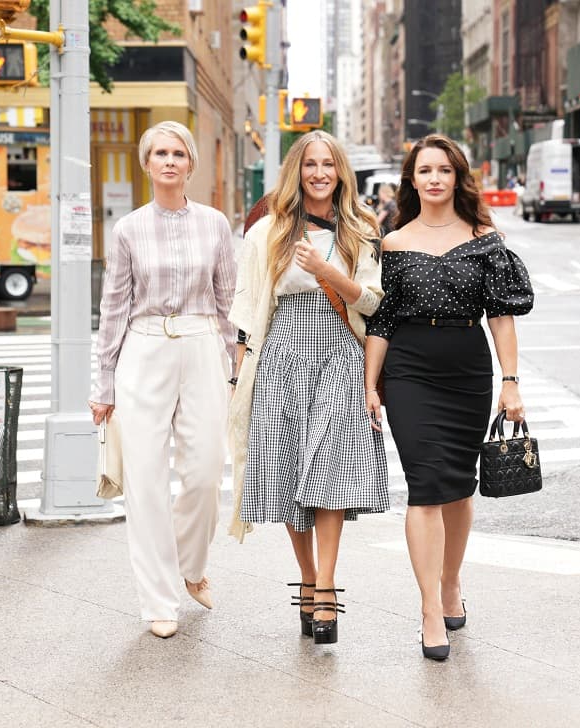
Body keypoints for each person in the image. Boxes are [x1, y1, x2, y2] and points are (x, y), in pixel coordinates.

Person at [364, 134, 534, 661]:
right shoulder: (390, 243)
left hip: (466, 366)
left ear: (458, 177)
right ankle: (428, 610)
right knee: (426, 486)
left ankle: (451, 582)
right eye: (424, 170)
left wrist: (511, 382)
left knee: (460, 489)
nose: (434, 178)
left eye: (444, 170)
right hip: (410, 368)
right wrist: (371, 384)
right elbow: (382, 320)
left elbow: (500, 317)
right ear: (411, 180)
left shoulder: (486, 238)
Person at [228, 130, 389, 645]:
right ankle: (306, 575)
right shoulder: (267, 232)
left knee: (328, 472)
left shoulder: (361, 229)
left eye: (329, 164)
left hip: (339, 352)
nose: (320, 173)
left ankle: (326, 587)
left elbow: (372, 303)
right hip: (282, 357)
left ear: (341, 171)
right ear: (296, 171)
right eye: (310, 164)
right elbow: (248, 311)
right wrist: (238, 378)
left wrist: (325, 271)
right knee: (290, 471)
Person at [89, 121, 236, 639]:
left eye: (178, 153)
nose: (170, 161)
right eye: (160, 153)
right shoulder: (128, 229)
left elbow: (226, 301)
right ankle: (158, 599)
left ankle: (191, 566)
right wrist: (102, 384)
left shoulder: (216, 225)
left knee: (202, 473)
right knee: (145, 481)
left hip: (201, 345)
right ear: (146, 163)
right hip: (143, 348)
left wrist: (235, 368)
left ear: (190, 164)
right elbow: (113, 310)